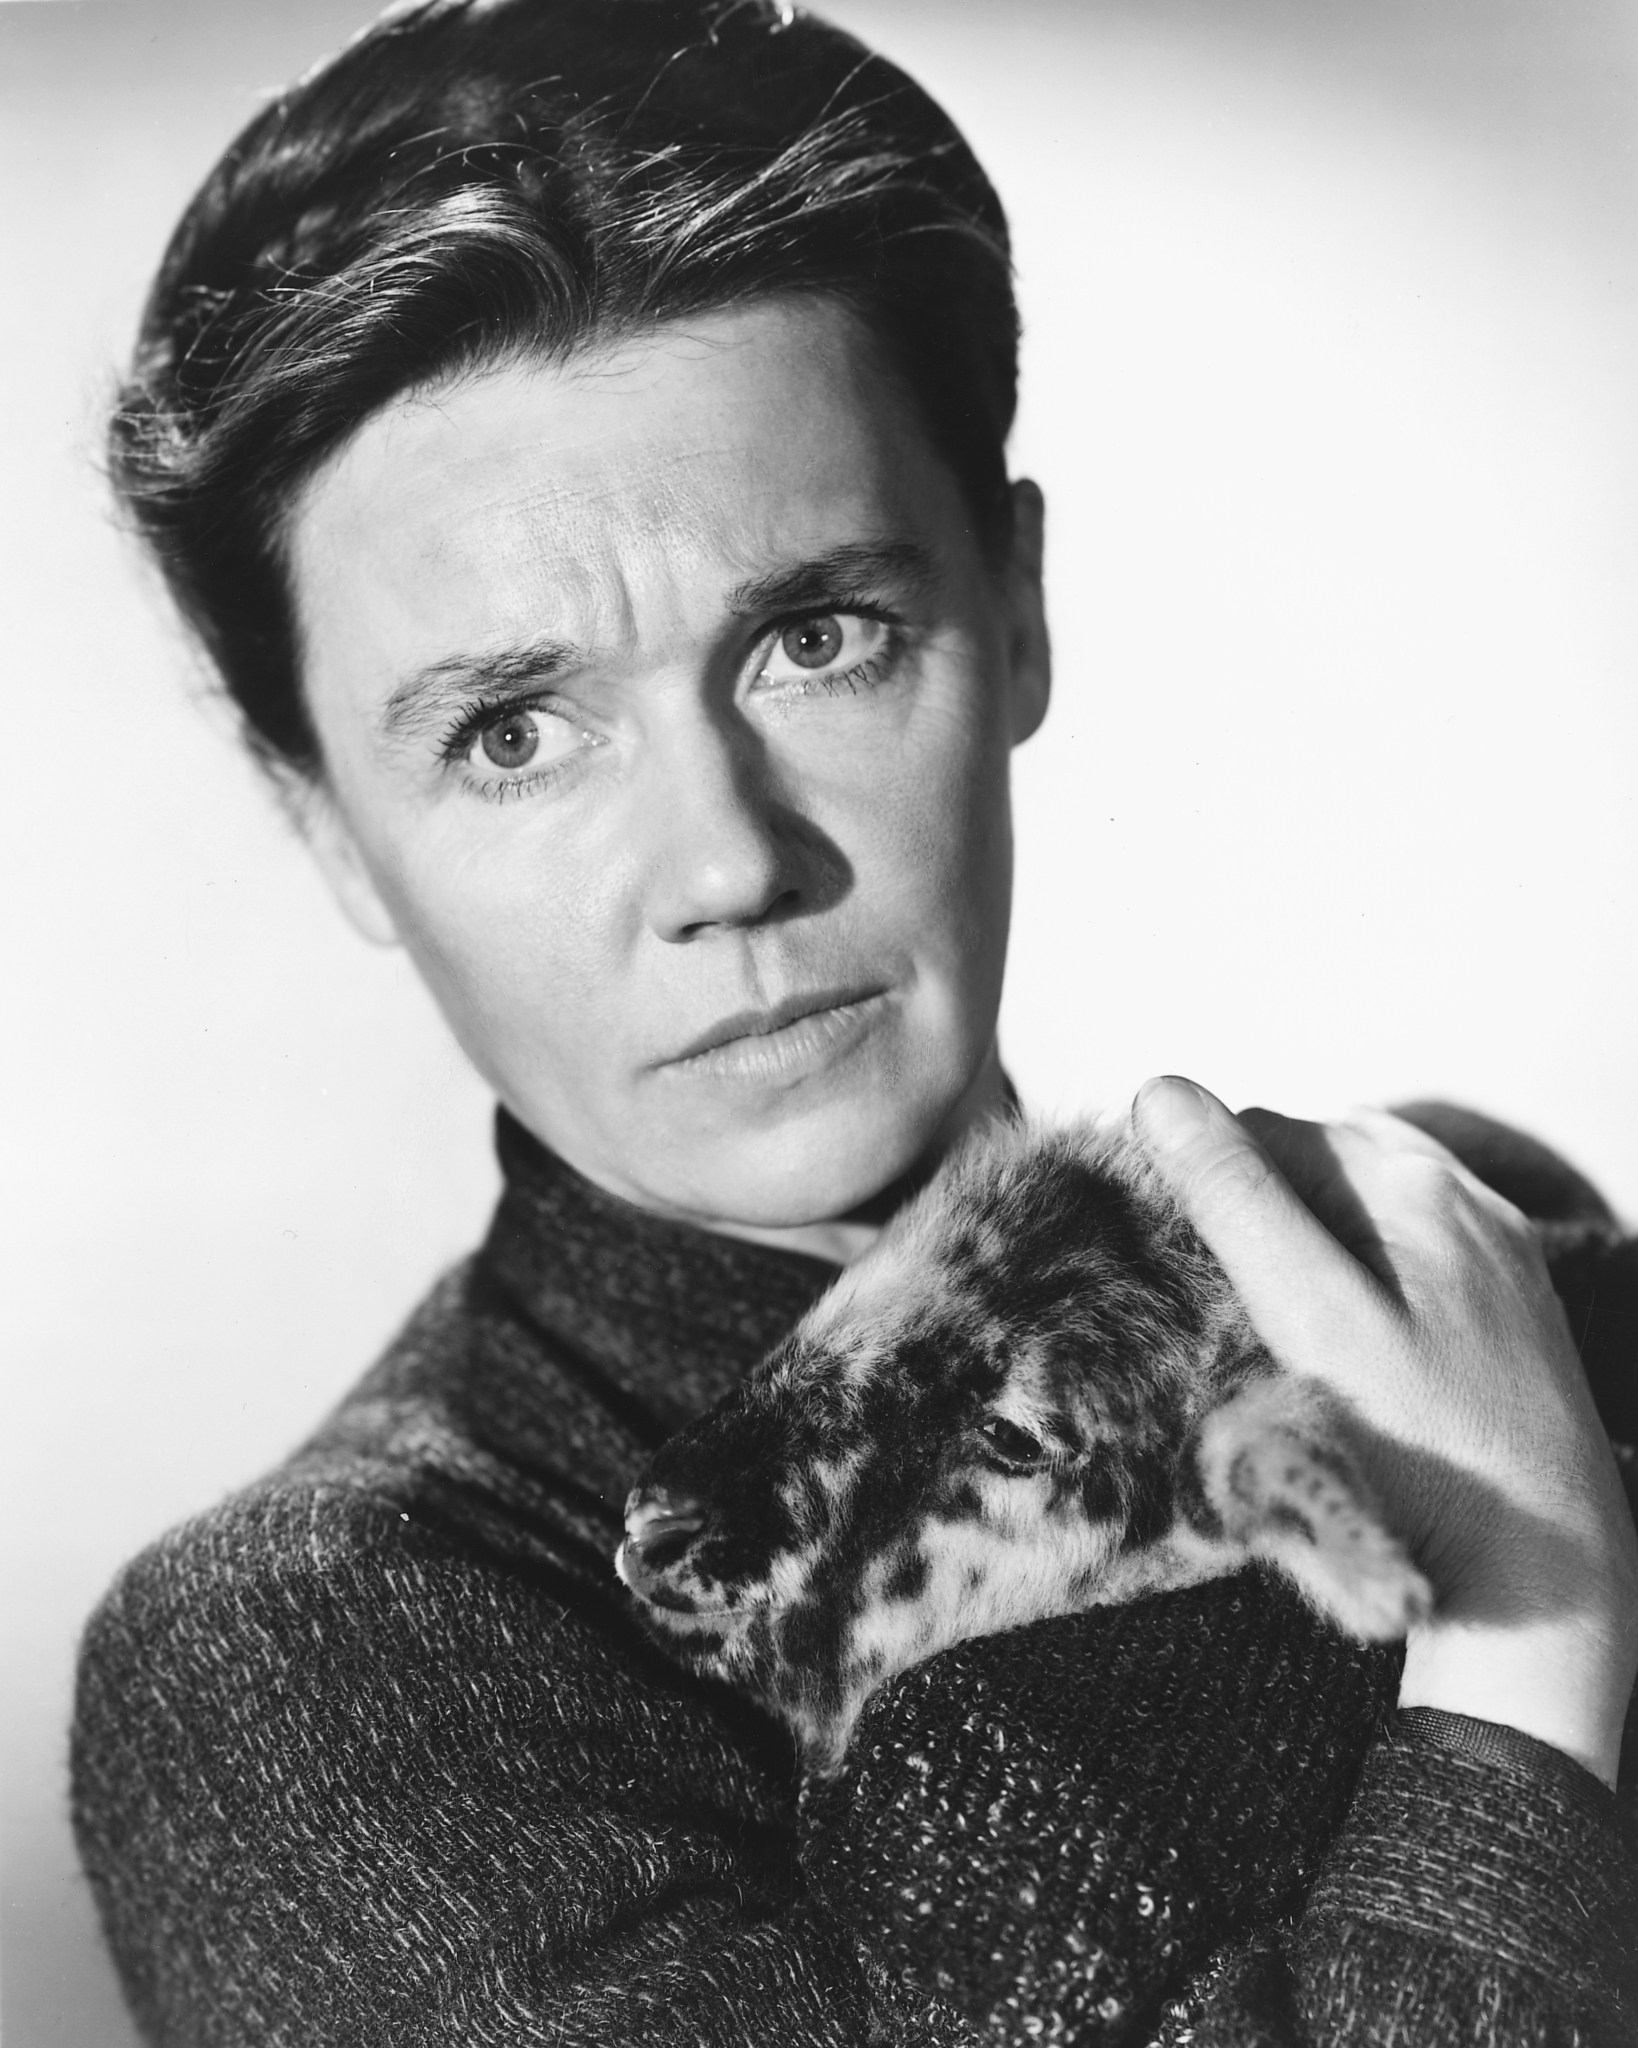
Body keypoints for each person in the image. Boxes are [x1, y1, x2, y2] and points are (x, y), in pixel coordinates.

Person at [71, 0, 1638, 2041]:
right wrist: (1525, 1637)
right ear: (328, 831)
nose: (726, 863)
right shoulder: (316, 1656)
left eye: (816, 637)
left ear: (1016, 608)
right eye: (512, 733)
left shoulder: (1465, 1257)